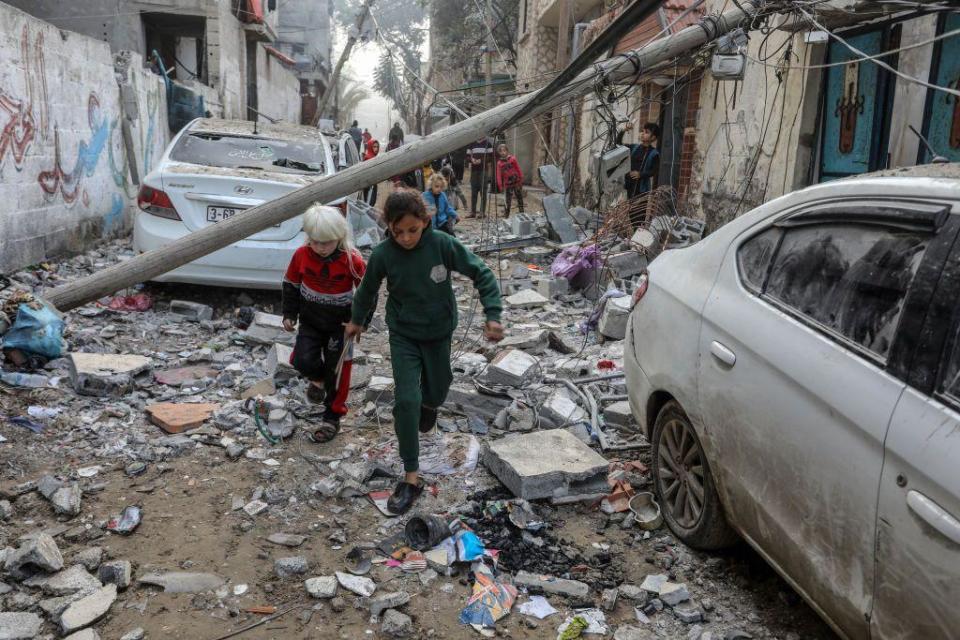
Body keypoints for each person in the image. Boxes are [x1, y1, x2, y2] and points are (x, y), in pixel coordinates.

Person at [345, 190, 504, 514]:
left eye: (412, 230)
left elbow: (482, 273)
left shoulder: (442, 245)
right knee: (406, 401)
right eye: (397, 231)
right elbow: (368, 288)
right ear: (388, 227)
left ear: (425, 222)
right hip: (403, 334)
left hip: (438, 332)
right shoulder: (383, 254)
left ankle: (430, 404)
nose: (404, 238)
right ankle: (411, 476)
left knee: (438, 388)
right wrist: (356, 321)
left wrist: (493, 314)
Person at [281, 205, 368, 443]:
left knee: (338, 371)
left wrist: (359, 321)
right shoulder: (301, 255)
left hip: (340, 325)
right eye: (315, 242)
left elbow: (367, 291)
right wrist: (289, 314)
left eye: (326, 243)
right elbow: (291, 284)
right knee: (301, 359)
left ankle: (332, 417)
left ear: (339, 237)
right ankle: (317, 379)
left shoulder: (352, 260)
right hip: (310, 320)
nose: (320, 247)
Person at [616, 121, 660, 199]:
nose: (642, 133)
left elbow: (655, 171)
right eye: (642, 131)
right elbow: (618, 145)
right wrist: (624, 130)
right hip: (629, 187)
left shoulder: (654, 153)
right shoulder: (634, 147)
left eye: (646, 132)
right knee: (627, 210)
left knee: (638, 211)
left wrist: (640, 174)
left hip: (642, 190)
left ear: (653, 137)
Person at [467, 138, 494, 217]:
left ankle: (482, 212)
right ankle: (473, 212)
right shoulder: (471, 144)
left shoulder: (488, 144)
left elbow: (491, 157)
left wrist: (481, 160)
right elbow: (467, 156)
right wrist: (471, 159)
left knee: (483, 191)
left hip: (483, 170)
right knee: (473, 191)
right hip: (474, 171)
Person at [495, 144, 524, 217]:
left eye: (504, 150)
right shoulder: (499, 163)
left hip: (516, 182)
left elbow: (518, 168)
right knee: (508, 200)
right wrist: (500, 185)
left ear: (507, 151)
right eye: (501, 151)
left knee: (519, 197)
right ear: (499, 153)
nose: (503, 152)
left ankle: (522, 213)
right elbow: (498, 175)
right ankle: (506, 214)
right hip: (508, 184)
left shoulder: (512, 159)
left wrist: (521, 178)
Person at [362, 138, 381, 205]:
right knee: (369, 204)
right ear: (370, 147)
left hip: (373, 184)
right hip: (369, 186)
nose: (376, 149)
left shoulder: (373, 157)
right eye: (374, 147)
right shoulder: (368, 158)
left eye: (377, 147)